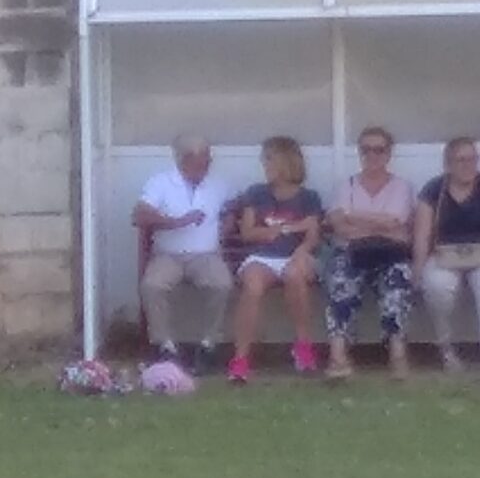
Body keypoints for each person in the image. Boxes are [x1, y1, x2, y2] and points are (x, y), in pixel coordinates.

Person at [225, 136, 323, 383]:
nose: (264, 164)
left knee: (294, 275)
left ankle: (303, 347)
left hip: (297, 255)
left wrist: (300, 250)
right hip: (262, 256)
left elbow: (312, 235)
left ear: (286, 161)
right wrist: (288, 228)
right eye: (264, 159)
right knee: (253, 285)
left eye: (269, 159)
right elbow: (248, 233)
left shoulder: (309, 197)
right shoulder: (256, 193)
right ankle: (240, 359)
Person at [321, 127, 416, 378]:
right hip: (351, 253)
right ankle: (338, 357)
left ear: (389, 154)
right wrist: (381, 225)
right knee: (340, 280)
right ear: (359, 152)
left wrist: (353, 215)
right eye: (366, 150)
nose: (372, 155)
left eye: (379, 150)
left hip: (390, 255)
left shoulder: (401, 187)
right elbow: (340, 228)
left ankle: (397, 354)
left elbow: (396, 222)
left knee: (397, 281)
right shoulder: (346, 186)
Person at [133, 137, 233, 368]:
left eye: (207, 162)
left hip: (206, 254)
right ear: (182, 161)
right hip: (168, 254)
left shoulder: (218, 184)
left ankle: (209, 343)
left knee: (222, 284)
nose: (204, 168)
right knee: (152, 286)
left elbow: (233, 205)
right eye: (199, 163)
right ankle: (164, 345)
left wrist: (228, 220)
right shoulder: (160, 183)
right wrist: (177, 222)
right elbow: (139, 215)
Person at [413, 134, 480, 369]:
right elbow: (422, 234)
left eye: (473, 159)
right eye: (461, 160)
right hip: (443, 255)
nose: (469, 165)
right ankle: (446, 348)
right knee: (438, 287)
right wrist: (417, 271)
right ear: (448, 164)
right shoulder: (434, 190)